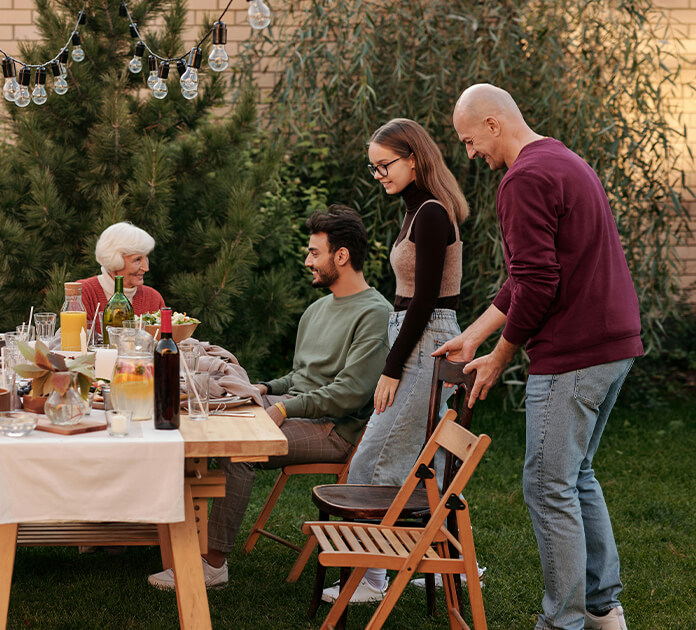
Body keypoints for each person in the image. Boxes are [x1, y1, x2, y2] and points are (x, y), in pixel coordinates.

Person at [440, 84, 641, 630]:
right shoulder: (564, 158)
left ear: (493, 124)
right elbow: (529, 275)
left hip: (573, 355)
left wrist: (502, 356)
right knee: (575, 478)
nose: (470, 154)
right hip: (612, 345)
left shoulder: (523, 178)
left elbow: (538, 283)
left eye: (468, 140)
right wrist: (476, 334)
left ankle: (562, 622)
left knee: (548, 487)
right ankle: (602, 610)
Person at [148, 205, 392, 590]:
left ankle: (212, 564)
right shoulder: (316, 310)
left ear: (341, 256)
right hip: (299, 410)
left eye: (315, 252)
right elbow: (302, 376)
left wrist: (281, 408)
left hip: (335, 430)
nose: (307, 260)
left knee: (239, 450)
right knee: (199, 418)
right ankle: (160, 534)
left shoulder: (376, 314)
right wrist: (263, 389)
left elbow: (349, 393)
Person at [322, 118, 470, 604]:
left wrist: (390, 369)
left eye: (384, 165)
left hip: (425, 339)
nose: (380, 174)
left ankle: (371, 576)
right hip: (414, 334)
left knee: (374, 456)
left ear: (413, 158)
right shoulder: (415, 211)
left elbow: (426, 298)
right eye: (374, 168)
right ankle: (433, 562)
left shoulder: (430, 213)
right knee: (405, 456)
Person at [80, 221, 166, 327]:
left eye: (146, 257)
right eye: (137, 259)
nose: (146, 268)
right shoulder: (83, 293)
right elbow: (67, 338)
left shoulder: (153, 299)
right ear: (114, 260)